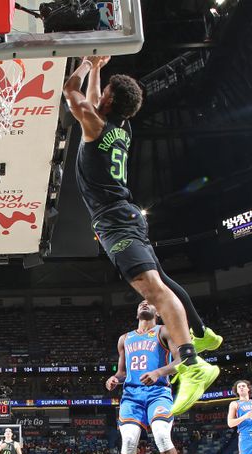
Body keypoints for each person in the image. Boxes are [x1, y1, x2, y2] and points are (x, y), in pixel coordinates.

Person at [63, 56, 221, 416]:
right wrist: (97, 68)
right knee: (161, 281)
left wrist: (86, 65)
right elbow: (90, 98)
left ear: (107, 101)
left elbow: (71, 91)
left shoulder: (97, 123)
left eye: (103, 93)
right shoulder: (120, 126)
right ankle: (201, 331)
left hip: (116, 222)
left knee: (155, 290)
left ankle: (193, 364)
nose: (99, 95)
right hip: (126, 216)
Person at [105, 300, 186, 454]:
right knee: (128, 441)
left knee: (161, 434)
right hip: (131, 396)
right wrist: (115, 379)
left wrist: (159, 371)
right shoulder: (125, 339)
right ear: (136, 311)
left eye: (150, 302)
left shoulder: (164, 330)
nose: (145, 302)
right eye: (141, 301)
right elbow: (122, 372)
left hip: (158, 392)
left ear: (157, 312)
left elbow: (181, 360)